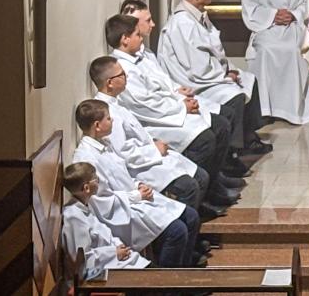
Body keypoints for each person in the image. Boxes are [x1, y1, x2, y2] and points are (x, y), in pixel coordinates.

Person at [106, 14, 241, 212]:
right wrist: (181, 106)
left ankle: (211, 186)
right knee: (204, 139)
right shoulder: (123, 67)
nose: (142, 37)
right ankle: (202, 196)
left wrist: (179, 96)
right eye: (137, 35)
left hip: (169, 109)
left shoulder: (142, 56)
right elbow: (144, 104)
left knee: (220, 125)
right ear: (125, 39)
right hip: (155, 121)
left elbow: (162, 83)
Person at [72, 100, 200, 268]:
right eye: (108, 118)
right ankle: (168, 281)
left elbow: (122, 174)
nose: (112, 121)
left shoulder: (104, 143)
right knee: (176, 231)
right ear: (97, 125)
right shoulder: (86, 159)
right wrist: (136, 195)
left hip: (134, 199)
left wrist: (138, 184)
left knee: (191, 217)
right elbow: (101, 202)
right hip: (120, 214)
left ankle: (185, 272)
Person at [87, 55, 221, 213]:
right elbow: (123, 153)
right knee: (189, 187)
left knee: (202, 176)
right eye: (122, 74)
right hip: (141, 166)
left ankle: (194, 217)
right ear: (110, 83)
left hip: (150, 151)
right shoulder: (106, 114)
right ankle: (187, 222)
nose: (126, 76)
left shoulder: (116, 102)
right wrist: (154, 150)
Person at [160, 0, 271, 154]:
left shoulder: (197, 16)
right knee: (234, 96)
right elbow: (196, 66)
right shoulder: (183, 23)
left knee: (249, 80)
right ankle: (232, 151)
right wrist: (225, 76)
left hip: (209, 74)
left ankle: (248, 137)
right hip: (194, 82)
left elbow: (214, 50)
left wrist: (229, 70)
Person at [61, 162, 150, 280]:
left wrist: (118, 245)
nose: (98, 181)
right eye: (95, 179)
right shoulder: (73, 217)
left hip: (119, 260)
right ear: (86, 188)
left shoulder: (85, 205)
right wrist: (114, 253)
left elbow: (103, 234)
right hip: (104, 271)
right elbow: (80, 261)